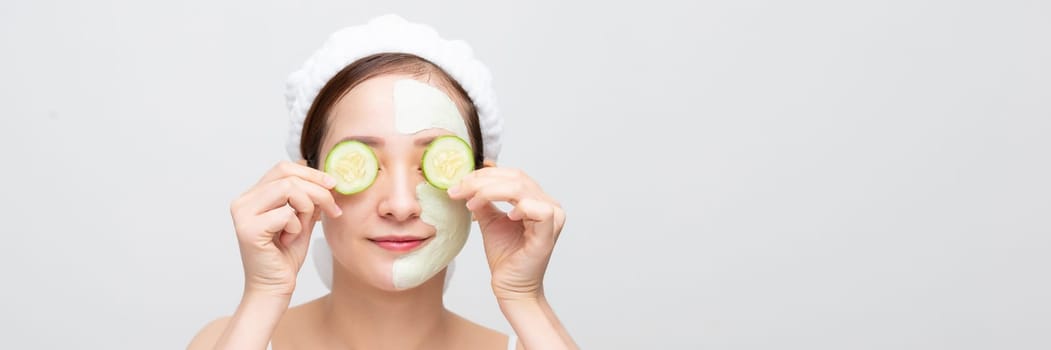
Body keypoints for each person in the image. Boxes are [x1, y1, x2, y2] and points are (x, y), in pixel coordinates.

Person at [187, 14, 577, 350]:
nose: (401, 204)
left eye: (433, 162)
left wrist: (526, 300)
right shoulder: (232, 338)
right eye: (362, 163)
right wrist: (263, 294)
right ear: (308, 183)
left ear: (483, 185)